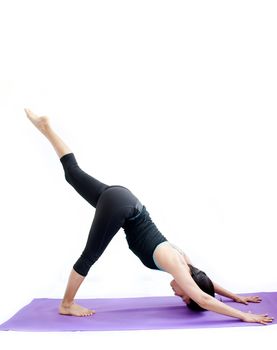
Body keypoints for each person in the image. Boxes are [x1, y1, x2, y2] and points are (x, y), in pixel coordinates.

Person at [25, 108, 274, 325]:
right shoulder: (178, 266)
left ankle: (46, 128)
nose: (179, 294)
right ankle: (66, 305)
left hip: (124, 199)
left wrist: (236, 296)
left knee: (73, 175)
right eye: (184, 297)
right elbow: (203, 297)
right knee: (89, 256)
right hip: (121, 207)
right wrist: (244, 315)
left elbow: (204, 284)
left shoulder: (185, 263)